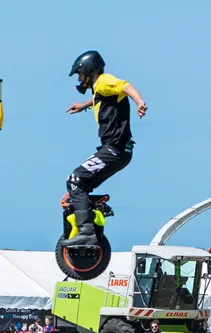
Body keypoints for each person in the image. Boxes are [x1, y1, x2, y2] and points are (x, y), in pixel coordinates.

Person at [61, 50, 147, 247]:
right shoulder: (100, 88)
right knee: (78, 183)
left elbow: (125, 86)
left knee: (75, 180)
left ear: (90, 72)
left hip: (115, 150)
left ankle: (86, 231)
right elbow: (101, 97)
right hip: (114, 150)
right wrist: (83, 106)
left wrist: (139, 102)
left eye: (81, 75)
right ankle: (91, 210)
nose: (80, 79)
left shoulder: (104, 80)